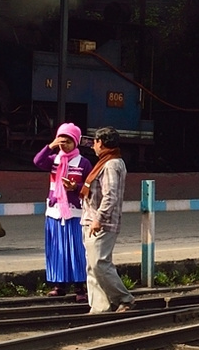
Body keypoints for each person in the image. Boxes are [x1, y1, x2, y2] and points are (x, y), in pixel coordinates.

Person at [79, 126, 136, 313]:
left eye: (94, 142)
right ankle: (99, 307)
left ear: (100, 143)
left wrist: (99, 219)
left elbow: (110, 195)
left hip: (102, 222)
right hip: (91, 219)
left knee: (99, 264)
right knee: (92, 267)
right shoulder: (106, 162)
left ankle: (124, 298)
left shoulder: (111, 164)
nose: (93, 146)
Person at [34, 123, 91, 300]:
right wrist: (50, 146)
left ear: (75, 142)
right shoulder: (54, 160)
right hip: (55, 211)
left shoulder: (83, 163)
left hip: (74, 213)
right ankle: (59, 285)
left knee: (76, 250)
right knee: (56, 249)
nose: (63, 144)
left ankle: (80, 288)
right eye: (61, 140)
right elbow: (37, 161)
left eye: (67, 141)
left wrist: (75, 187)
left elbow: (90, 187)